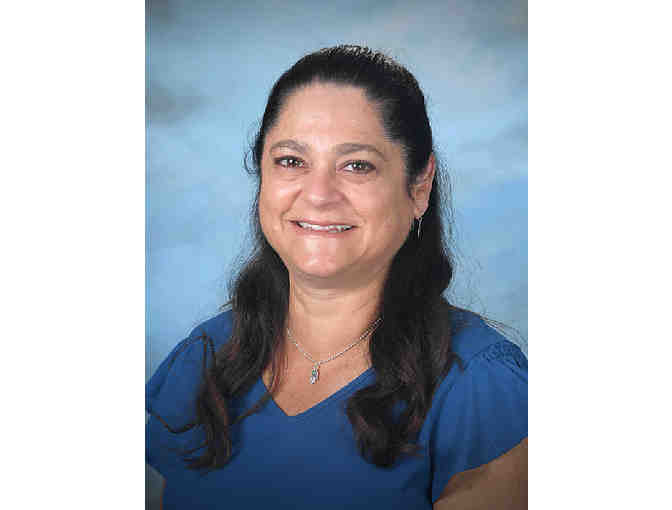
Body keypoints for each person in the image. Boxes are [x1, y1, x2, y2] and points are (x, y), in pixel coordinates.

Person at [146, 45, 527, 509]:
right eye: (291, 161)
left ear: (419, 187)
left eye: (357, 165)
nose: (319, 194)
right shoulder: (204, 360)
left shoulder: (479, 388)